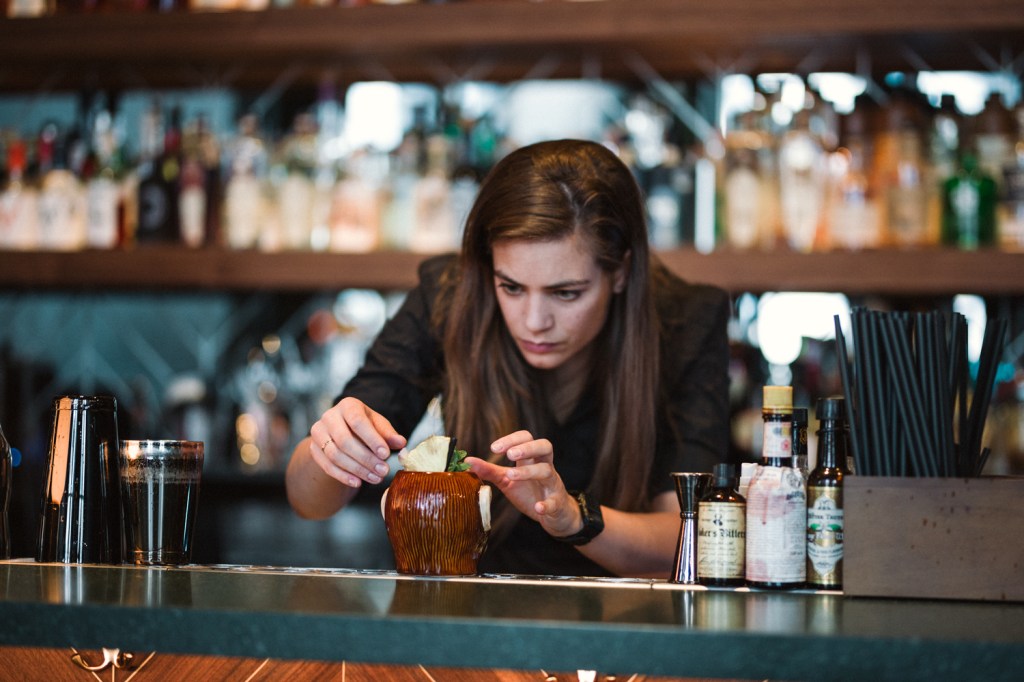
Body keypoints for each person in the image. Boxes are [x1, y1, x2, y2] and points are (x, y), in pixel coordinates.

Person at [286, 138, 730, 578]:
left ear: (621, 272)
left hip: (629, 628)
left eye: (566, 293)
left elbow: (689, 540)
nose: (535, 321)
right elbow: (308, 501)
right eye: (511, 287)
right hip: (471, 624)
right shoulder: (450, 296)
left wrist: (572, 518)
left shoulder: (685, 321)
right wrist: (331, 447)